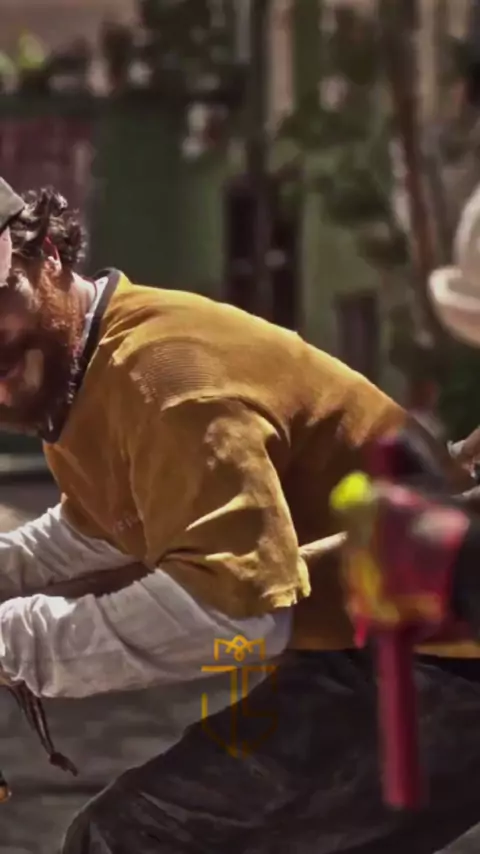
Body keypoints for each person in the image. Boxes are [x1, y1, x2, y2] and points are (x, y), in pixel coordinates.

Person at [0, 175, 477, 854]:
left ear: (46, 253)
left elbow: (234, 612)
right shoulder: (86, 367)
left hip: (441, 659)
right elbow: (104, 522)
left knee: (127, 841)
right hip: (381, 639)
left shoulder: (160, 379)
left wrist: (15, 643)